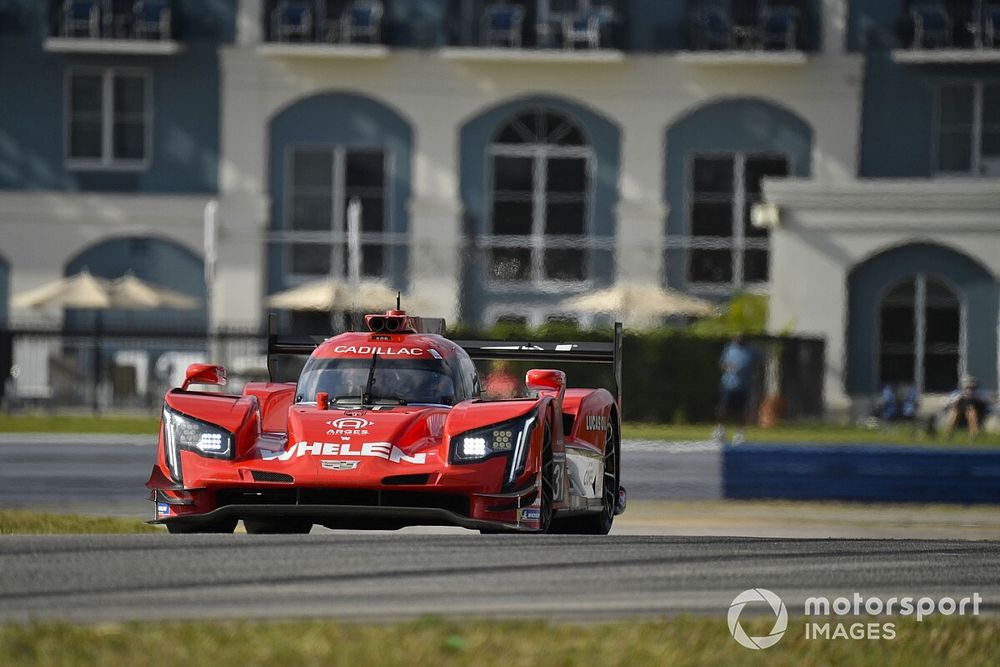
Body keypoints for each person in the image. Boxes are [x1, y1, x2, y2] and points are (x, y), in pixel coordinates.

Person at [715, 335, 755, 443]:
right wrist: (730, 366)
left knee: (741, 411)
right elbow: (722, 364)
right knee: (723, 409)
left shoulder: (751, 350)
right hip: (728, 384)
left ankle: (740, 434)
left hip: (743, 386)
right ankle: (720, 431)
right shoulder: (729, 348)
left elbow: (757, 364)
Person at [944, 375, 992, 440]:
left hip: (977, 414)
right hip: (960, 413)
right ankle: (949, 434)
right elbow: (947, 404)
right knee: (954, 412)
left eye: (971, 387)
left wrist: (975, 398)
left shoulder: (982, 393)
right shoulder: (957, 394)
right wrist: (960, 398)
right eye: (967, 387)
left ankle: (973, 434)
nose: (969, 389)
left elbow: (989, 402)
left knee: (971, 412)